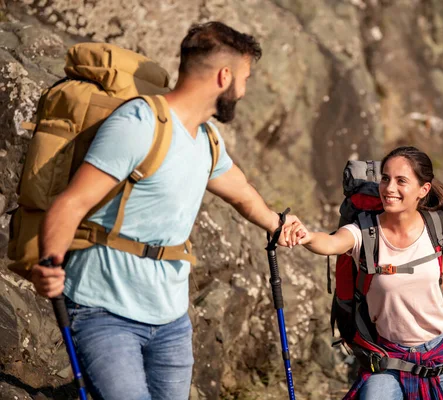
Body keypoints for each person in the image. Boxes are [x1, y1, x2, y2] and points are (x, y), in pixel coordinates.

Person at [29, 21, 300, 400]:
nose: (244, 90)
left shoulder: (206, 138)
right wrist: (51, 263)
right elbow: (72, 202)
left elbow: (240, 193)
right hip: (104, 311)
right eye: (245, 78)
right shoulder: (139, 123)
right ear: (225, 76)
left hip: (171, 321)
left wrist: (279, 225)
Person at [286, 146, 443, 400]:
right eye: (385, 178)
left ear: (423, 190)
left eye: (401, 180)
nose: (389, 188)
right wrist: (306, 236)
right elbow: (330, 243)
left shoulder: (437, 226)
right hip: (389, 359)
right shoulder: (365, 231)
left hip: (441, 354)